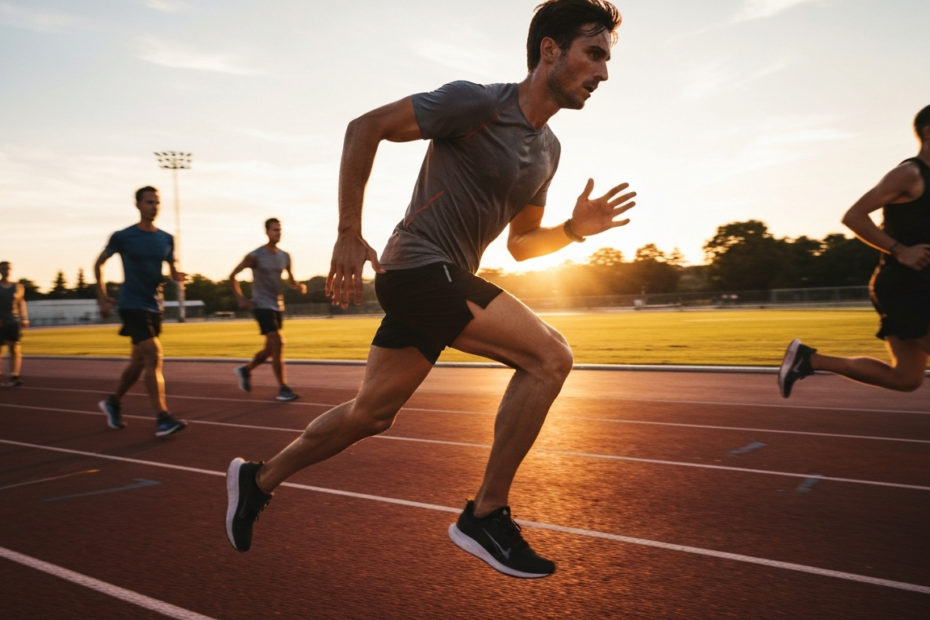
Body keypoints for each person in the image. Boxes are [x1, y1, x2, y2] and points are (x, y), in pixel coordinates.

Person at [226, 0, 633, 579]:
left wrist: (572, 231)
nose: (603, 73)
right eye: (593, 54)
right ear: (550, 51)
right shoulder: (477, 103)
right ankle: (485, 514)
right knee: (550, 357)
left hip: (441, 282)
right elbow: (366, 127)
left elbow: (521, 245)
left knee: (371, 414)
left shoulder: (549, 151)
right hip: (417, 267)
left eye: (607, 60)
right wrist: (348, 231)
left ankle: (257, 479)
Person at [779, 104, 930, 397]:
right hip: (905, 286)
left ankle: (808, 359)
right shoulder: (909, 173)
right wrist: (900, 250)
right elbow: (854, 215)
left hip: (922, 285)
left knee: (906, 378)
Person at [94, 186, 189, 437]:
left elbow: (171, 268)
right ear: (137, 205)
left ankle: (114, 401)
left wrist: (177, 276)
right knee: (153, 355)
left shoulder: (166, 238)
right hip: (131, 303)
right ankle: (163, 417)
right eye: (149, 202)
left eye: (157, 202)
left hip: (154, 305)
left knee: (138, 361)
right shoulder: (122, 236)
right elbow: (99, 264)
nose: (154, 206)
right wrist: (102, 297)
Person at [229, 218, 307, 401]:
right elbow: (232, 276)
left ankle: (245, 369)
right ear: (266, 232)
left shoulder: (285, 256)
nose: (277, 233)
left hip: (277, 305)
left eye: (279, 230)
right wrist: (240, 297)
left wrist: (298, 286)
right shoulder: (255, 256)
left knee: (270, 349)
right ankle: (283, 388)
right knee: (279, 343)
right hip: (261, 305)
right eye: (274, 230)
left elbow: (290, 279)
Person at [0, 261, 29, 387]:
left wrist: (24, 318)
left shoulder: (18, 287)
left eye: (8, 268)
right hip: (1, 322)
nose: (6, 270)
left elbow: (21, 303)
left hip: (13, 321)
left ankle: (15, 376)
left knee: (15, 348)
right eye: (4, 268)